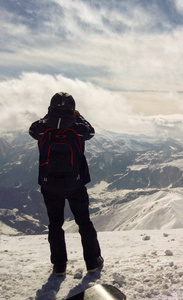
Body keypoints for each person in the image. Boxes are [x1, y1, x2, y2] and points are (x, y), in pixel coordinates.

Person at [29, 92, 103, 276]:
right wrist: (79, 116)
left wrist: (48, 116)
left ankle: (59, 265)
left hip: (50, 185)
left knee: (55, 224)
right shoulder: (77, 128)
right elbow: (91, 131)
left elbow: (32, 130)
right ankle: (93, 261)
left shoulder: (43, 127)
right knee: (84, 222)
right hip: (75, 184)